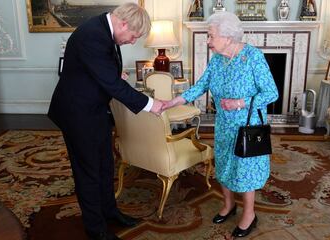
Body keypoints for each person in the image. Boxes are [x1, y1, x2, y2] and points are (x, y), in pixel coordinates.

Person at [48, 3, 164, 240]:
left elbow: (102, 71)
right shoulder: (92, 35)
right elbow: (111, 83)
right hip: (77, 113)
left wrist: (112, 73)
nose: (132, 42)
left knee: (104, 166)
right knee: (88, 171)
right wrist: (151, 104)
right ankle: (96, 229)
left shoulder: (105, 29)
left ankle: (110, 212)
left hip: (96, 109)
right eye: (133, 36)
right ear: (123, 24)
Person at [162, 12, 278, 238]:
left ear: (228, 37)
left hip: (248, 125)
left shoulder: (253, 57)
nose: (208, 41)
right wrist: (174, 101)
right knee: (224, 164)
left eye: (210, 35)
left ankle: (249, 214)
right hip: (224, 125)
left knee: (245, 171)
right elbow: (201, 85)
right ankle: (228, 205)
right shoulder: (217, 59)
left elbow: (271, 93)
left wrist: (239, 103)